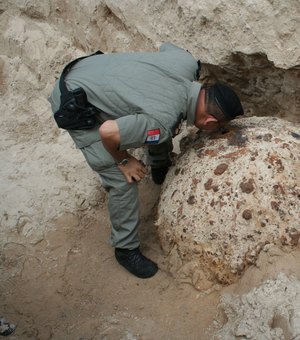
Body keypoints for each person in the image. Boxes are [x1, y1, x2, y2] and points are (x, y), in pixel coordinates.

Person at [49, 43, 244, 279]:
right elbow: (108, 132)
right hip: (73, 99)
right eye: (218, 127)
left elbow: (167, 47)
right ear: (210, 120)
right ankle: (125, 248)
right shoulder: (161, 121)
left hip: (90, 67)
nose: (215, 131)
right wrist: (124, 161)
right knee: (122, 179)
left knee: (161, 123)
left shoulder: (187, 64)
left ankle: (159, 165)